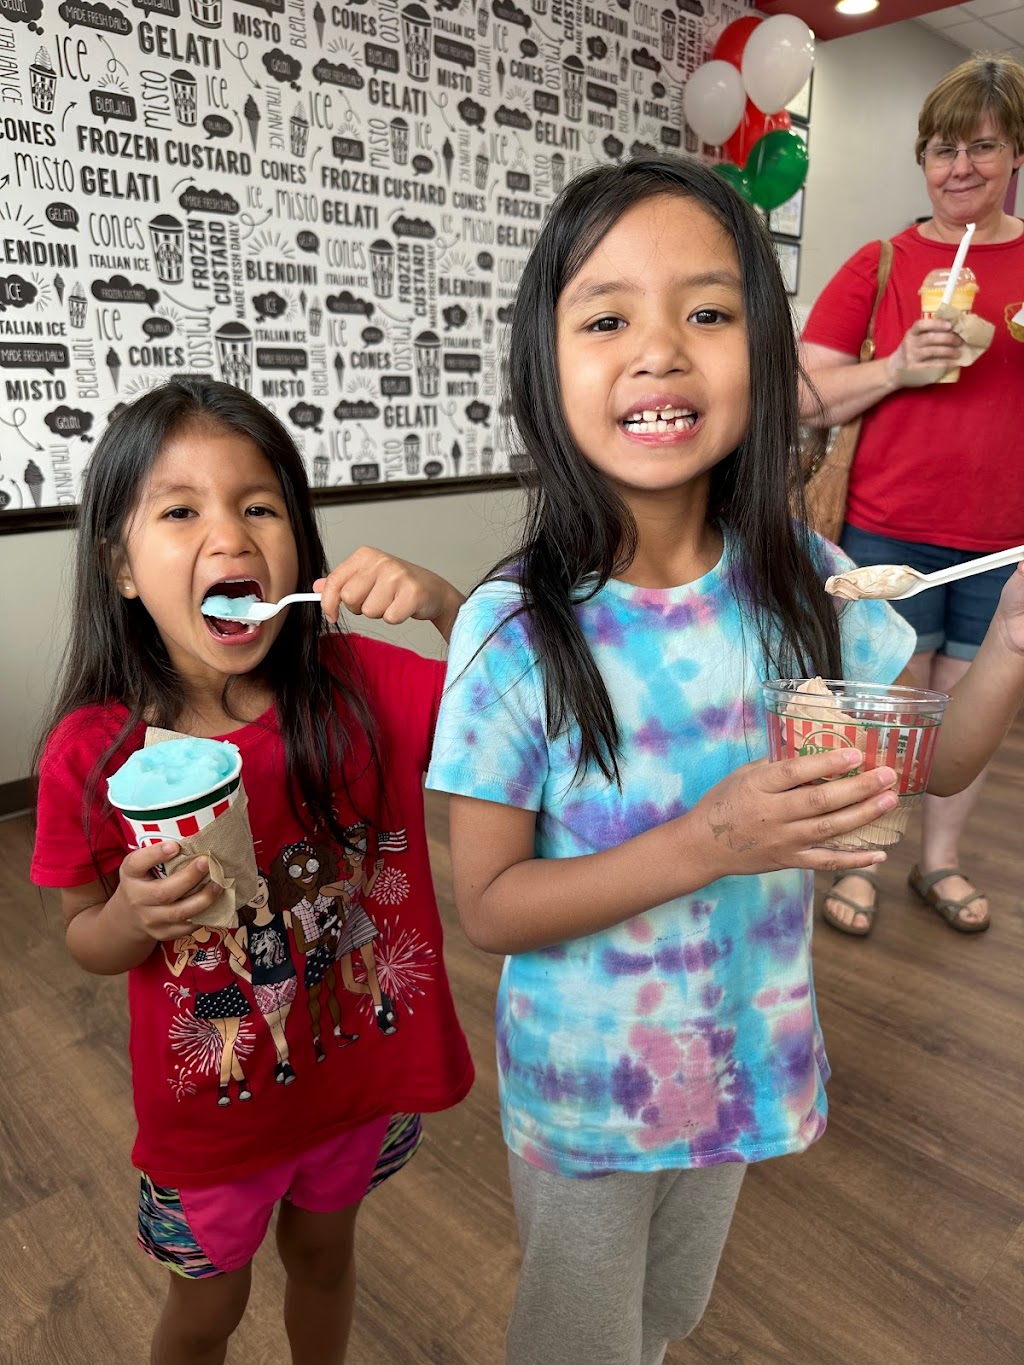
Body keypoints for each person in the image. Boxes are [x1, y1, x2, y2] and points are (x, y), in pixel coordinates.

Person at [424, 155, 1024, 1365]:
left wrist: (1010, 639)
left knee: (665, 1321)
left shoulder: (809, 581)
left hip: (744, 1054)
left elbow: (935, 763)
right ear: (545, 366)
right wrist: (713, 840)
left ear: (763, 358)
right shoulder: (513, 626)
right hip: (595, 1089)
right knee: (580, 1345)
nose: (660, 351)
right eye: (607, 320)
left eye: (707, 313)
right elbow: (489, 907)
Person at [30, 377, 474, 1365]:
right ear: (121, 568)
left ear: (302, 547)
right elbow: (85, 937)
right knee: (205, 1313)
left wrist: (450, 605)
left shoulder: (361, 688)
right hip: (216, 1118)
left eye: (260, 507)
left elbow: (519, 710)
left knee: (325, 1257)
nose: (230, 538)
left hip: (355, 1077)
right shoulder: (89, 757)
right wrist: (132, 918)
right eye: (180, 511)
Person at [800, 53, 1024, 935]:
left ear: (1015, 155)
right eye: (942, 149)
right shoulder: (883, 262)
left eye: (983, 146)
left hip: (1006, 539)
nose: (960, 167)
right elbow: (804, 394)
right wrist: (896, 366)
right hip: (888, 527)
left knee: (972, 712)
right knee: (886, 711)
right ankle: (866, 858)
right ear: (923, 159)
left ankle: (940, 862)